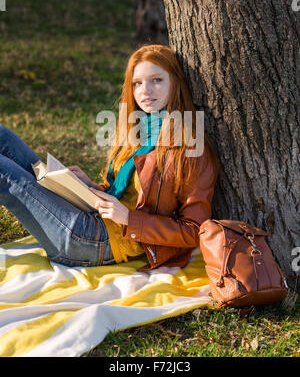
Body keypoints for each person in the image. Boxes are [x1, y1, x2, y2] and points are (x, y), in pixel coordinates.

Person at [0, 44, 219, 270]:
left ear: (175, 82)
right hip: (92, 215)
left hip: (97, 243)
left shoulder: (191, 147)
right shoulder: (139, 129)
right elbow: (124, 192)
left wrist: (128, 219)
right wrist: (89, 185)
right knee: (2, 135)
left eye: (157, 80)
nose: (145, 90)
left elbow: (194, 230)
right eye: (138, 83)